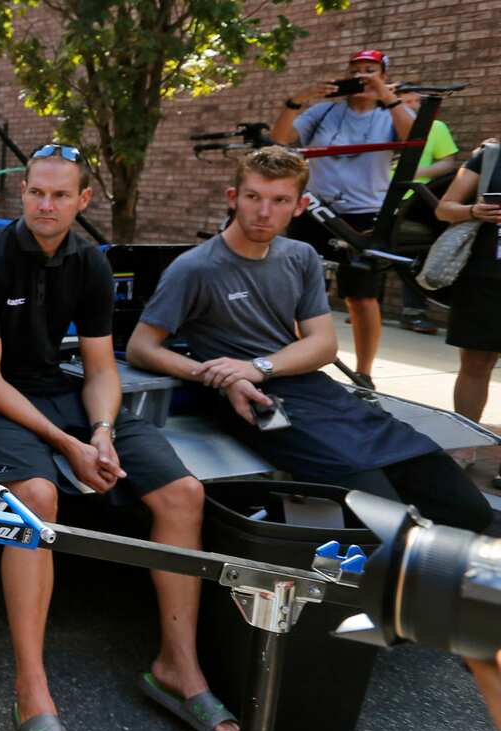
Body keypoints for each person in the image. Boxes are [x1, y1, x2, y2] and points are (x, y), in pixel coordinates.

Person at [0, 143, 238, 731]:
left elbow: (102, 367)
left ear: (82, 201)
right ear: (22, 194)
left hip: (63, 396)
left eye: (59, 195)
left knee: (184, 494)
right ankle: (31, 690)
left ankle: (176, 667)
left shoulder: (89, 261)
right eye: (35, 192)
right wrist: (67, 446)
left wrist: (101, 430)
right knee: (38, 499)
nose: (45, 205)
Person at [126, 146, 492, 534]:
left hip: (312, 389)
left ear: (299, 206)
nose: (264, 212)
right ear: (233, 198)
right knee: (386, 519)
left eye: (279, 200)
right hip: (255, 403)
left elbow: (322, 345)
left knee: (469, 510)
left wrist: (257, 367)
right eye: (253, 197)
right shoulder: (195, 268)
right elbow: (141, 347)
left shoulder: (299, 256)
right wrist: (219, 376)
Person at [269, 49, 416, 388]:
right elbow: (280, 139)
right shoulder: (325, 112)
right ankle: (298, 362)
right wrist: (297, 100)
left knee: (361, 295)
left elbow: (411, 140)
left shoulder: (391, 112)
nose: (362, 76)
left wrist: (385, 94)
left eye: (370, 70)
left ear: (383, 73)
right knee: (300, 290)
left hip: (365, 212)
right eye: (356, 70)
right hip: (316, 210)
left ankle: (364, 372)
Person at [434, 138, 501, 484]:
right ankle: (464, 444)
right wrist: (475, 211)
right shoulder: (488, 156)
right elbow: (444, 208)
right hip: (485, 277)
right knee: (475, 364)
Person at [395, 98, 460, 335]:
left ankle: (414, 312)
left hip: (414, 201)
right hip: (373, 196)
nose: (409, 104)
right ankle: (363, 308)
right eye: (404, 100)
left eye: (413, 100)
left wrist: (415, 172)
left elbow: (447, 163)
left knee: (414, 254)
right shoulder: (381, 123)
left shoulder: (436, 127)